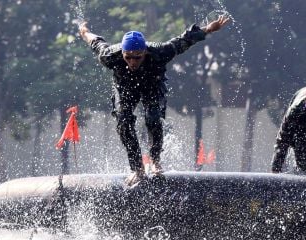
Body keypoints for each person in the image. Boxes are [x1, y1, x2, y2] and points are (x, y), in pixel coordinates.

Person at [78, 15, 231, 186]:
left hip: (153, 85)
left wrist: (209, 28)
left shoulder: (159, 51)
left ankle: (155, 161)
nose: (132, 62)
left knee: (153, 118)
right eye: (128, 57)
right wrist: (84, 31)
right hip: (125, 88)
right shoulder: (111, 55)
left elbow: (184, 40)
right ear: (122, 52)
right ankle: (137, 168)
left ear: (144, 51)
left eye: (137, 57)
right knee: (123, 121)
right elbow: (96, 42)